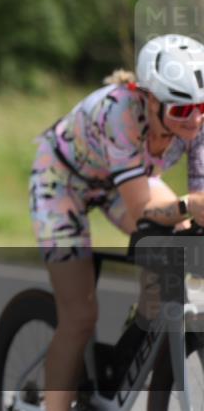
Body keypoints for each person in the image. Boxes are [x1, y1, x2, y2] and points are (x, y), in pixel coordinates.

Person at [29, 33, 204, 411]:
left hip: (121, 180)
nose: (195, 119)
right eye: (182, 111)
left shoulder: (196, 120)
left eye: (202, 107)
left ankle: (132, 345)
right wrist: (189, 206)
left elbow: (199, 196)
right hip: (62, 182)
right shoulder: (120, 111)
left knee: (174, 242)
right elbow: (144, 209)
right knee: (79, 316)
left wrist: (193, 212)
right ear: (151, 99)